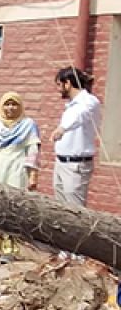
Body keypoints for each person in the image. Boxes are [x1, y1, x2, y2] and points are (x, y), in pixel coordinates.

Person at [0, 92, 39, 257]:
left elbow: (33, 151)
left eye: (14, 104)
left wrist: (33, 175)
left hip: (17, 168)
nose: (10, 108)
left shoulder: (28, 125)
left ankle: (10, 247)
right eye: (7, 104)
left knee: (13, 206)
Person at [50, 66, 101, 209]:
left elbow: (80, 115)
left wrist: (62, 128)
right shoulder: (71, 105)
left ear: (68, 83)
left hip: (76, 166)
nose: (58, 89)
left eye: (59, 85)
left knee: (75, 211)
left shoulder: (89, 101)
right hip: (61, 163)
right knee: (60, 209)